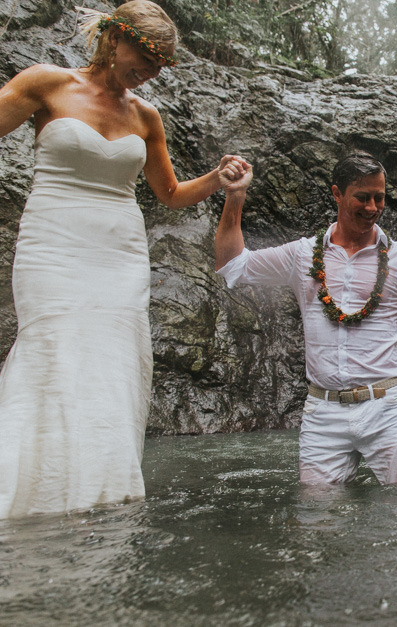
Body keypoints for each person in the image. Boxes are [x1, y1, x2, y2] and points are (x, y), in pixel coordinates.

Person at [0, 1, 249, 518]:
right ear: (114, 38)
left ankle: (100, 493)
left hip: (119, 252)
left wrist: (218, 177)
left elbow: (171, 193)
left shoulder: (145, 115)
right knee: (53, 346)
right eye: (148, 55)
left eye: (162, 63)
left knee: (111, 363)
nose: (153, 70)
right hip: (54, 240)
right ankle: (32, 496)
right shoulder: (46, 82)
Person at [214, 151, 397, 492]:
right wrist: (235, 196)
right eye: (362, 197)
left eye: (380, 198)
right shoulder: (302, 254)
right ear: (337, 194)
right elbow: (232, 265)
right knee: (318, 526)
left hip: (388, 408)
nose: (372, 207)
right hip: (323, 414)